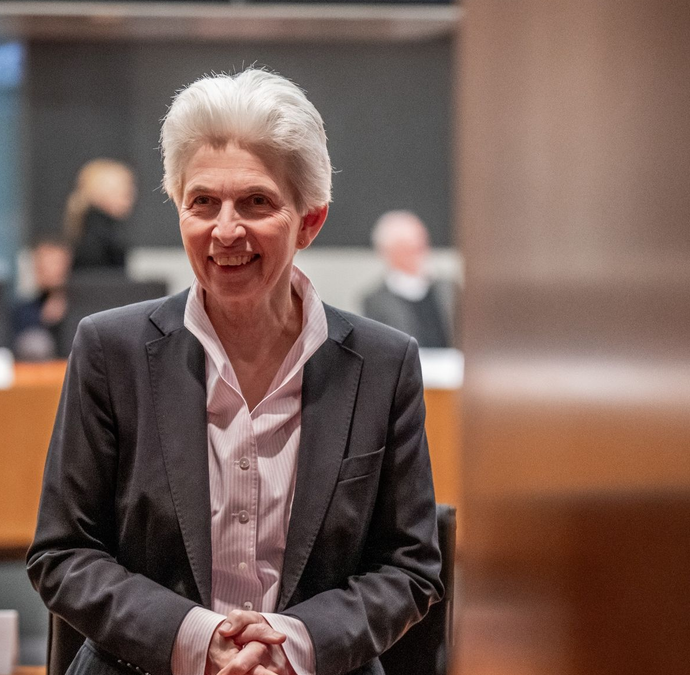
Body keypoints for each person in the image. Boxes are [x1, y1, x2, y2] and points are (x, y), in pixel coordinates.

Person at [28, 68, 443, 675]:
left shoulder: (384, 365)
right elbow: (62, 554)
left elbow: (410, 568)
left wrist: (291, 643)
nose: (225, 230)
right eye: (202, 202)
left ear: (309, 221)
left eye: (256, 202)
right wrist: (198, 639)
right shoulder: (108, 351)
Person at [361, 211, 457, 349]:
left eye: (420, 243)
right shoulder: (376, 301)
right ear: (388, 251)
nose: (417, 250)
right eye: (407, 247)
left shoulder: (449, 290)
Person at [63, 158, 136, 274]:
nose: (130, 199)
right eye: (124, 193)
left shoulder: (90, 229)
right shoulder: (101, 238)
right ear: (101, 193)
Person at [12, 238, 73, 361]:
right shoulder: (24, 310)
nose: (45, 268)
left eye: (55, 262)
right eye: (40, 262)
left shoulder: (83, 306)